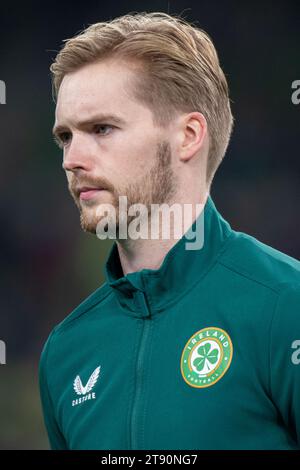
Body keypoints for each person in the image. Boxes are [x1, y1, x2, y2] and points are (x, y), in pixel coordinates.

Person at [39, 12, 300, 450]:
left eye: (101, 128)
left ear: (188, 136)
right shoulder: (66, 353)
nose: (72, 158)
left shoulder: (286, 306)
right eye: (65, 136)